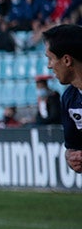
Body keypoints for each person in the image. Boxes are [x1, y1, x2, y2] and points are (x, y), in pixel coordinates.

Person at [41, 24, 82, 174]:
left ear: (66, 60)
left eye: (50, 59)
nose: (49, 66)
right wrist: (72, 158)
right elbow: (73, 148)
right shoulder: (69, 98)